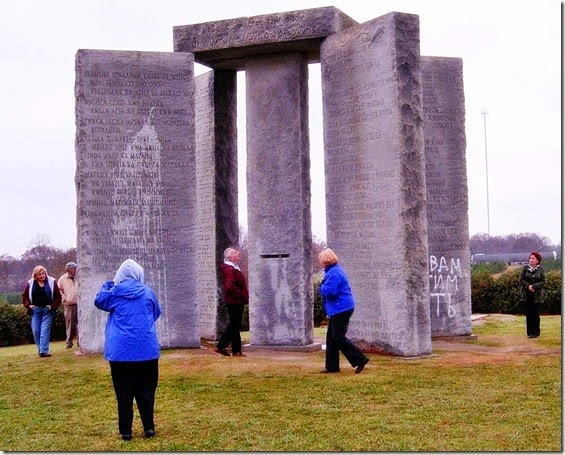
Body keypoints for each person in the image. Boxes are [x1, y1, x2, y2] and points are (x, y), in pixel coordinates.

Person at [94, 259, 161, 441]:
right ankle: (149, 427)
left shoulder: (114, 293)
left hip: (121, 351)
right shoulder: (148, 292)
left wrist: (109, 284)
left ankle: (126, 431)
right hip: (146, 349)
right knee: (147, 390)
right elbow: (156, 313)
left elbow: (99, 300)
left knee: (123, 392)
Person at [318, 248, 369, 374]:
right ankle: (332, 366)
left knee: (338, 337)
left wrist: (321, 288)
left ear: (326, 261)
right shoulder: (334, 270)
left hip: (341, 308)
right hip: (339, 307)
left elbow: (330, 291)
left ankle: (360, 359)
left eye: (321, 261)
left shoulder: (334, 273)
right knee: (331, 338)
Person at [22, 265, 62, 357]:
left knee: (44, 331)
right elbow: (24, 296)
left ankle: (44, 351)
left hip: (47, 311)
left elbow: (57, 296)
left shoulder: (52, 282)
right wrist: (28, 305)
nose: (42, 276)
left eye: (43, 273)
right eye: (39, 274)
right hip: (35, 310)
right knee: (36, 331)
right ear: (35, 276)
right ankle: (41, 349)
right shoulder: (30, 283)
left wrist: (53, 306)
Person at [215, 247, 249, 357]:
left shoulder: (234, 267)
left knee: (235, 325)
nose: (238, 253)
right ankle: (221, 346)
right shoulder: (229, 269)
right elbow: (229, 287)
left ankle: (236, 350)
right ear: (230, 257)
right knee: (234, 325)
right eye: (235, 252)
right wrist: (240, 295)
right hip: (234, 301)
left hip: (237, 301)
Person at [519, 251, 545, 338]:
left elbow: (543, 281)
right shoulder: (525, 268)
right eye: (530, 258)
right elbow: (521, 279)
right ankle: (530, 333)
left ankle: (536, 332)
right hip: (527, 294)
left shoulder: (540, 269)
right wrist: (528, 286)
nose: (531, 260)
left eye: (533, 258)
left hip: (536, 295)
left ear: (537, 260)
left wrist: (534, 286)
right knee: (529, 314)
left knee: (536, 314)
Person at [58, 262, 79, 349]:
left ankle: (80, 341)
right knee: (69, 324)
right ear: (68, 270)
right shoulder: (62, 279)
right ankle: (69, 342)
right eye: (71, 269)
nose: (73, 270)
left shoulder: (80, 277)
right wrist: (64, 299)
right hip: (69, 305)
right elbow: (59, 290)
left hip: (80, 304)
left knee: (80, 324)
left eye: (74, 268)